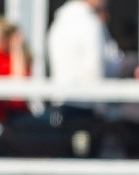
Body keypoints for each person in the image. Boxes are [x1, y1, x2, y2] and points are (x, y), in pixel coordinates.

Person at [46, 0, 122, 157]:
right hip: (87, 107)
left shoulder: (59, 23)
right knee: (87, 170)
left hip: (63, 104)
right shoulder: (91, 24)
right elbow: (96, 70)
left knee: (68, 164)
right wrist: (103, 109)